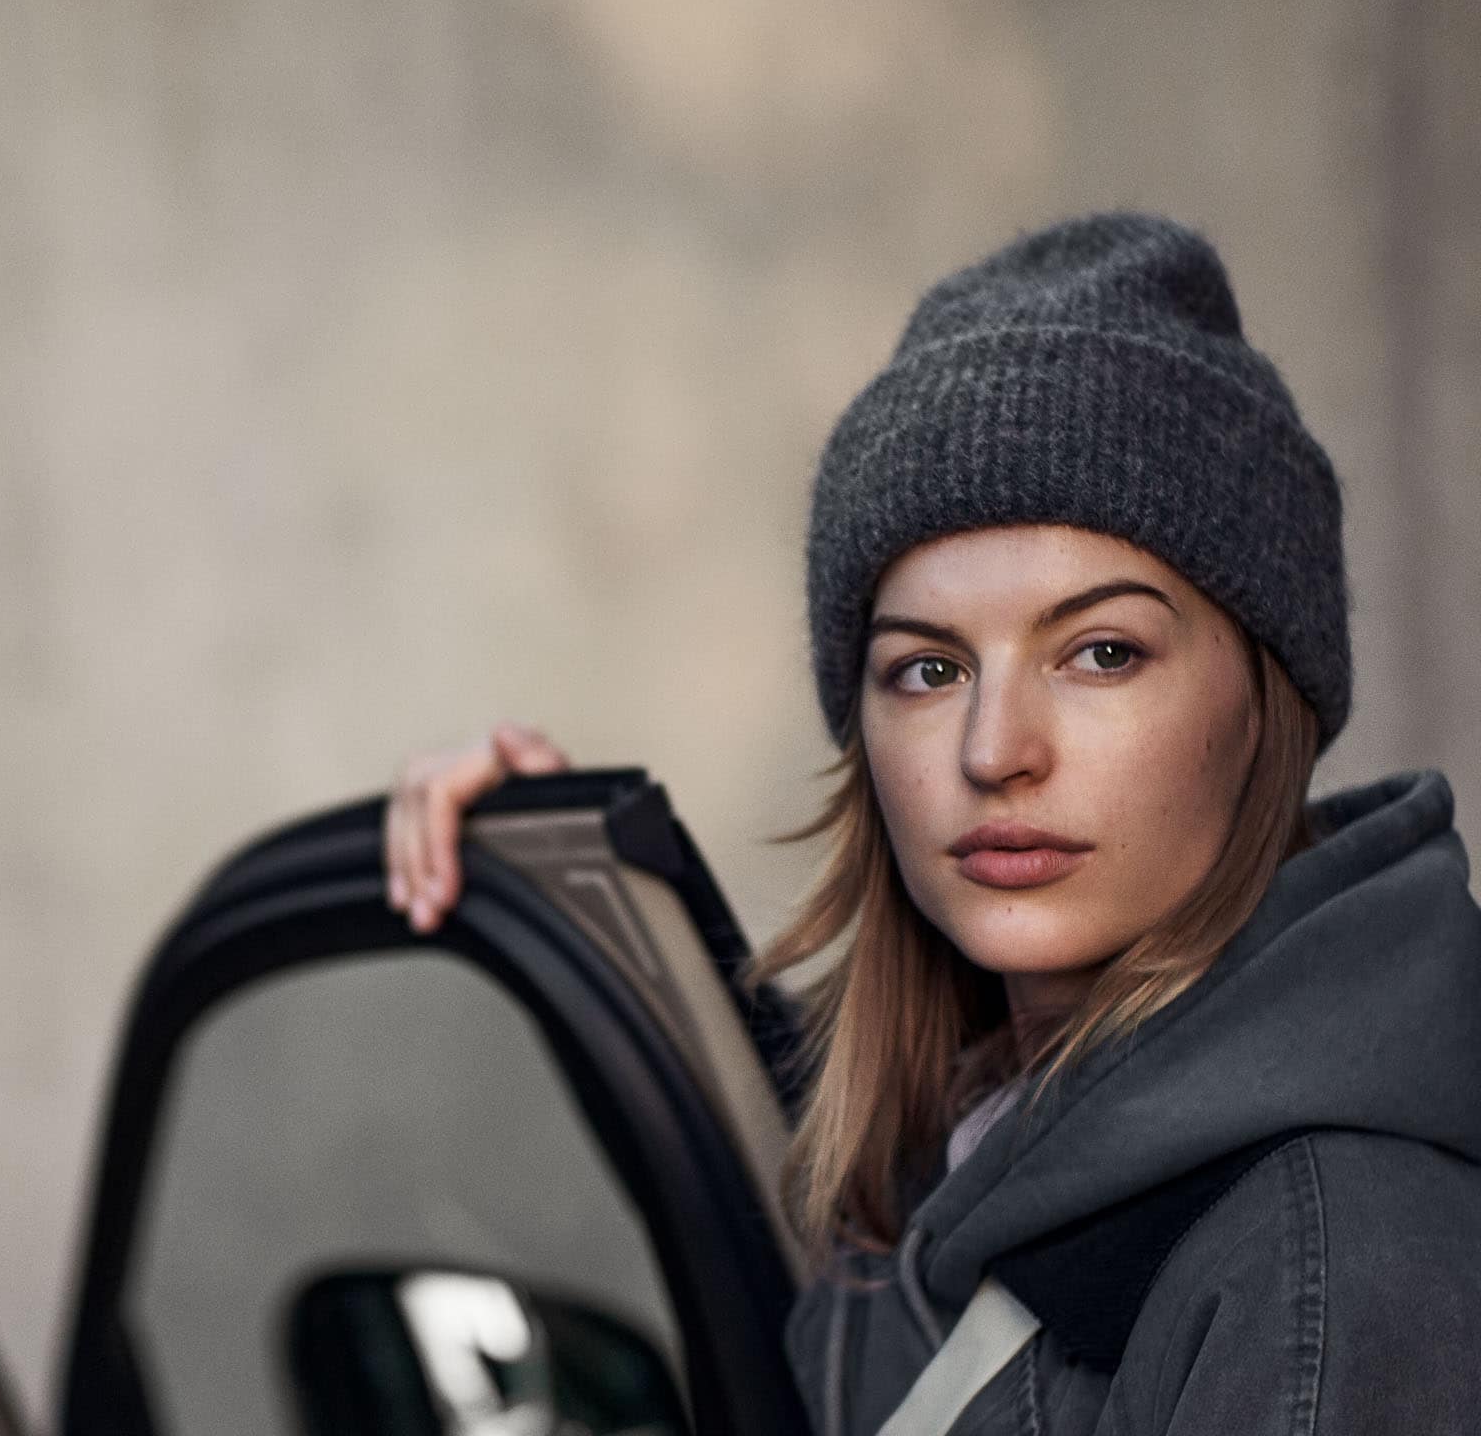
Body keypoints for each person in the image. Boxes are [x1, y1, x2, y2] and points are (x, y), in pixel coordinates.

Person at [381, 213, 1481, 1434]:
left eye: (1102, 652)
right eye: (926, 669)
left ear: (1265, 703)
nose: (994, 750)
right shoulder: (951, 1146)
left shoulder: (1327, 1264)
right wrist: (562, 879)